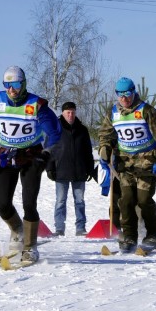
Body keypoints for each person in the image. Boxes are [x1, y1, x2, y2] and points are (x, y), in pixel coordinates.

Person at [0, 66, 61, 263]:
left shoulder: (36, 104)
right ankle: (17, 230)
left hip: (31, 156)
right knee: (2, 204)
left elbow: (55, 133)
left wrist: (47, 154)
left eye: (15, 84)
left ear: (23, 84)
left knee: (29, 202)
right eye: (7, 85)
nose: (11, 89)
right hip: (6, 155)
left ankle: (30, 247)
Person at [98, 77, 156, 253]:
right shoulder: (114, 113)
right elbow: (105, 134)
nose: (124, 98)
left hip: (147, 163)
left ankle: (152, 234)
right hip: (125, 165)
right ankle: (129, 235)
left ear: (133, 92)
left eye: (127, 94)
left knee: (144, 200)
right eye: (120, 94)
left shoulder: (146, 111)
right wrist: (105, 149)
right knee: (126, 201)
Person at [47, 101, 95, 236]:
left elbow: (88, 151)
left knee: (80, 201)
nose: (71, 115)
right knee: (60, 201)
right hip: (60, 170)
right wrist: (49, 167)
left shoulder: (82, 130)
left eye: (73, 112)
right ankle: (59, 228)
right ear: (63, 113)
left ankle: (80, 227)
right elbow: (48, 150)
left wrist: (90, 169)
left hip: (79, 171)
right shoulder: (55, 128)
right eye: (68, 112)